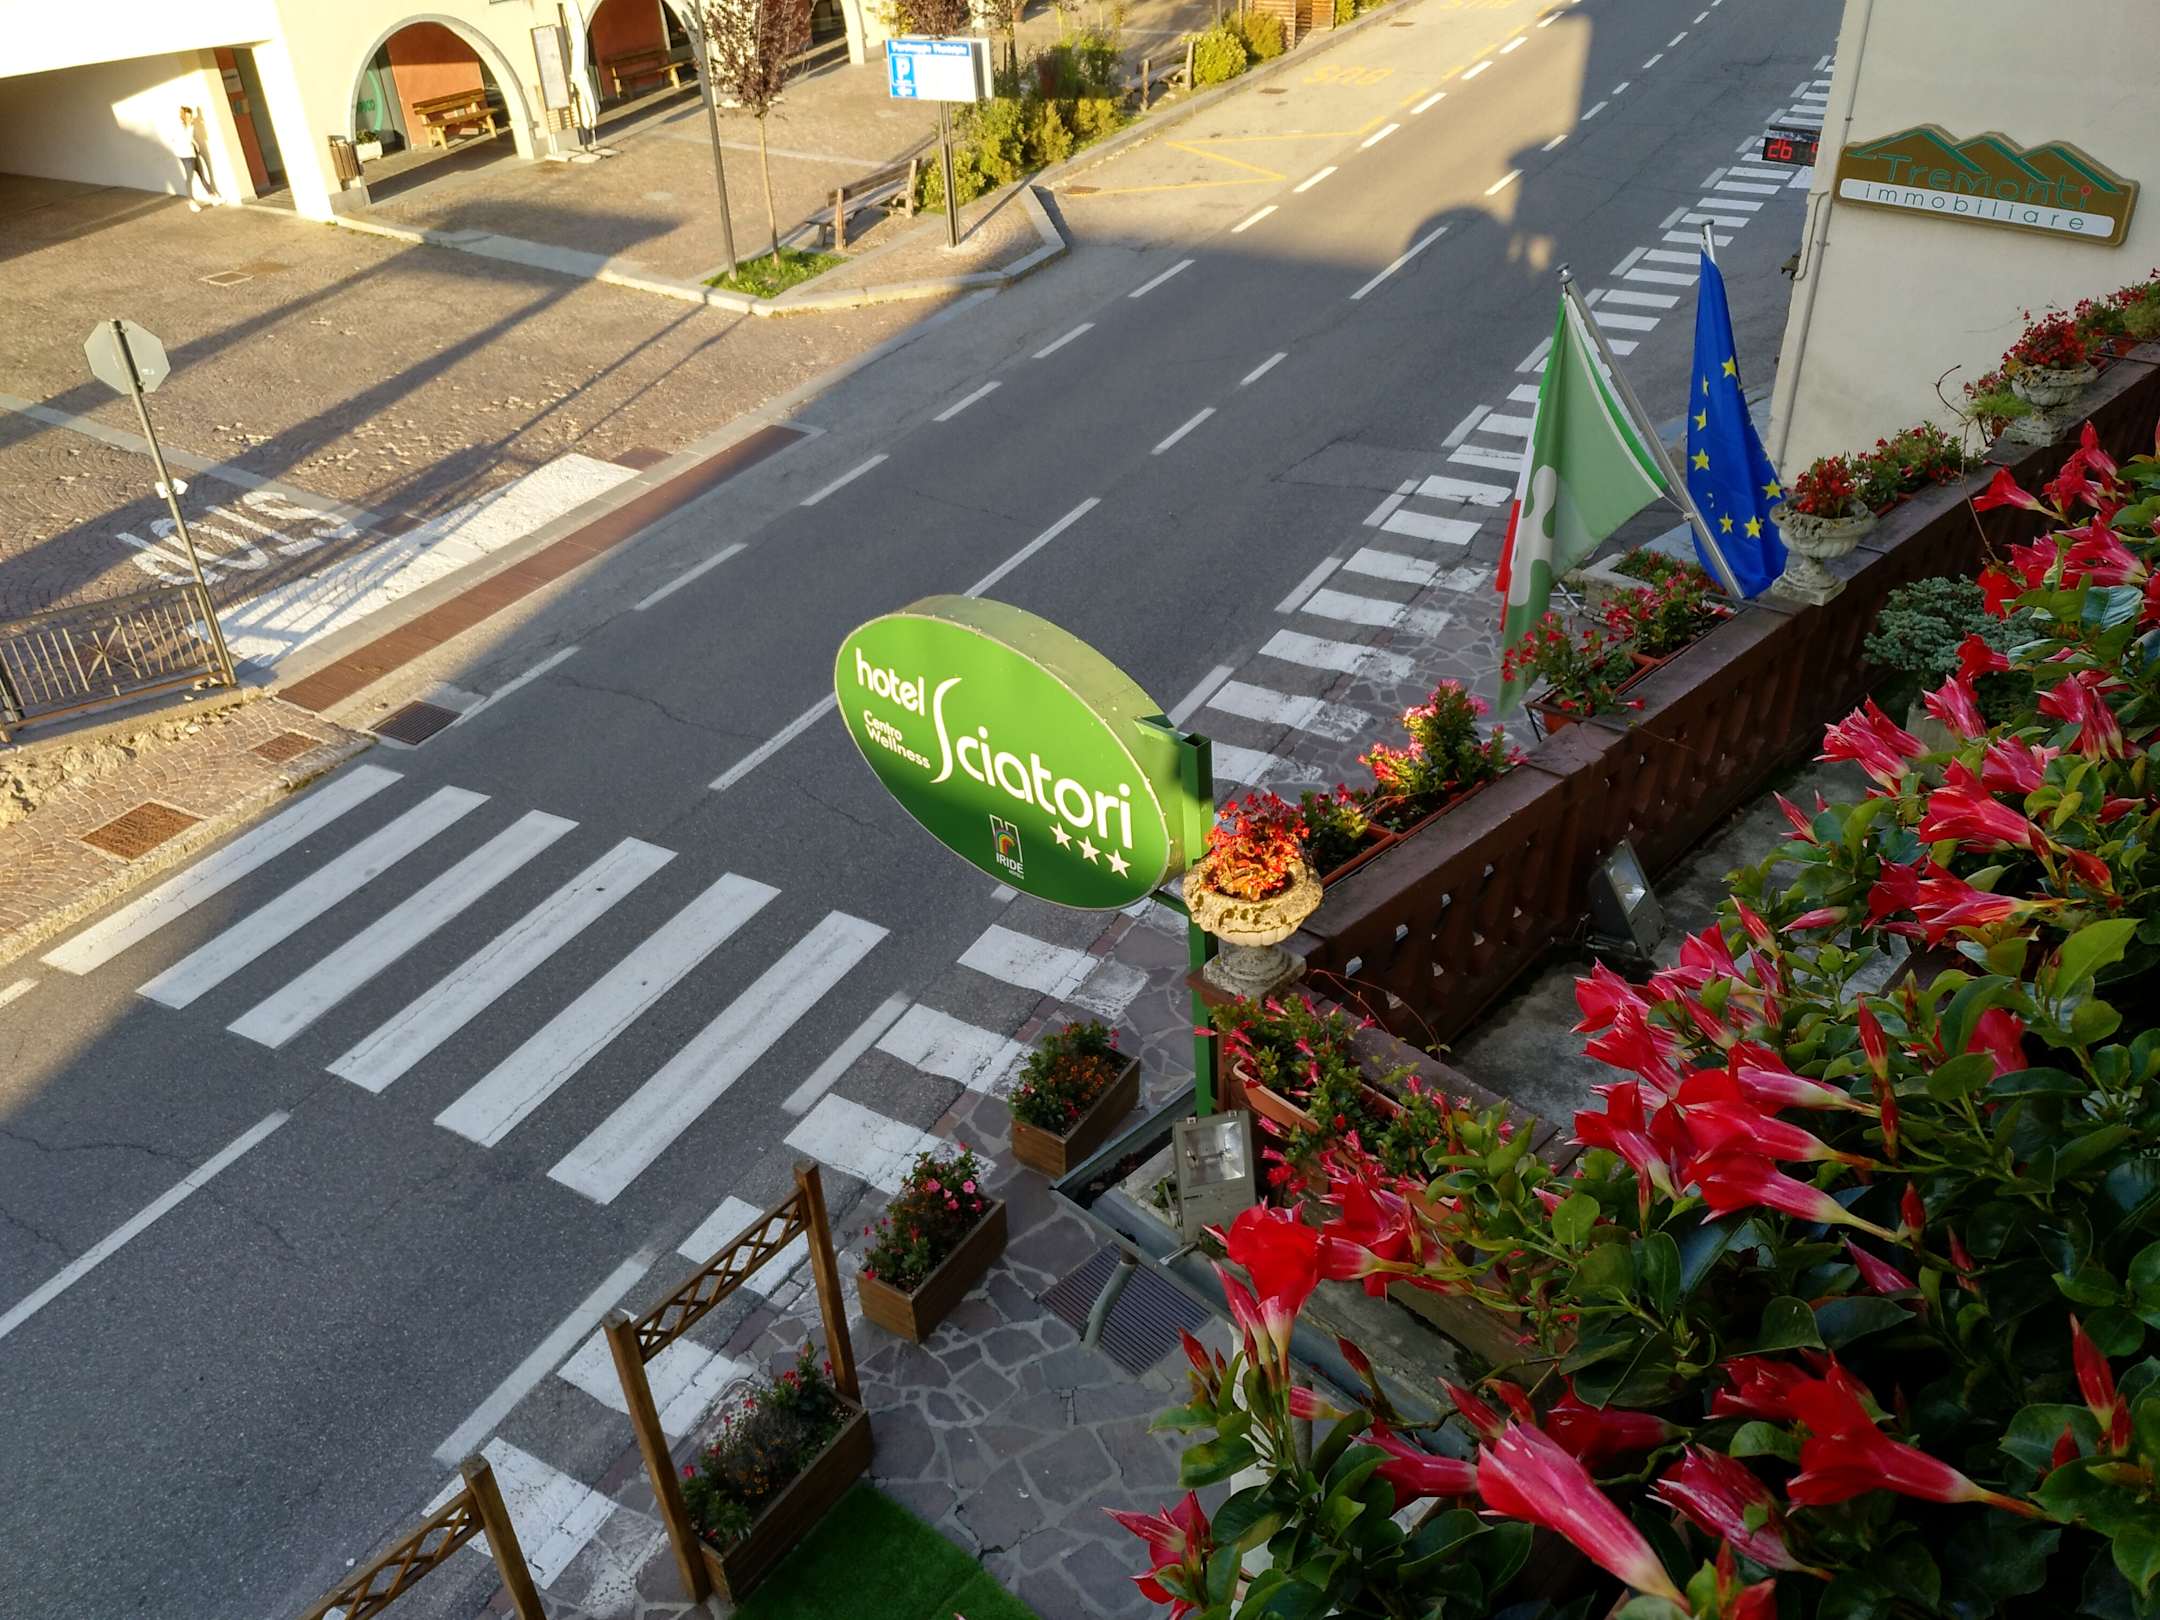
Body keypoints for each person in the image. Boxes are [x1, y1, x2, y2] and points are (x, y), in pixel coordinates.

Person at [170, 107, 221, 212]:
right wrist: (190, 126)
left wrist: (197, 147)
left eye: (191, 116)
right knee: (190, 178)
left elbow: (192, 139)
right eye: (188, 116)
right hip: (186, 156)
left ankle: (213, 197)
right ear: (184, 116)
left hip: (193, 153)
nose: (191, 118)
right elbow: (186, 139)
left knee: (202, 176)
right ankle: (191, 202)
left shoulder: (188, 126)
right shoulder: (179, 127)